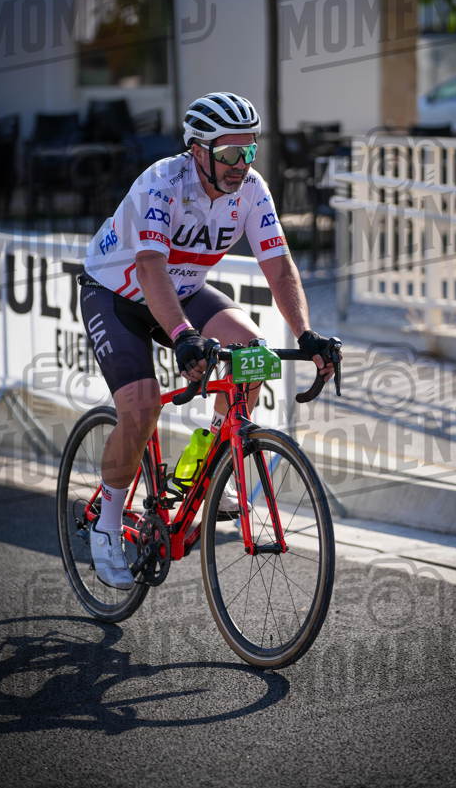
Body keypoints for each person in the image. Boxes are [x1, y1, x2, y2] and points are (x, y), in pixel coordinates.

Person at [80, 92, 338, 589]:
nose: (240, 165)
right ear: (197, 150)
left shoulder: (252, 189)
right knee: (142, 404)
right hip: (118, 295)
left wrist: (305, 334)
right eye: (228, 154)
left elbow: (279, 265)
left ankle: (206, 466)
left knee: (253, 354)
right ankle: (107, 527)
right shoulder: (162, 183)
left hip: (183, 290)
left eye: (249, 152)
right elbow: (150, 267)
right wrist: (182, 336)